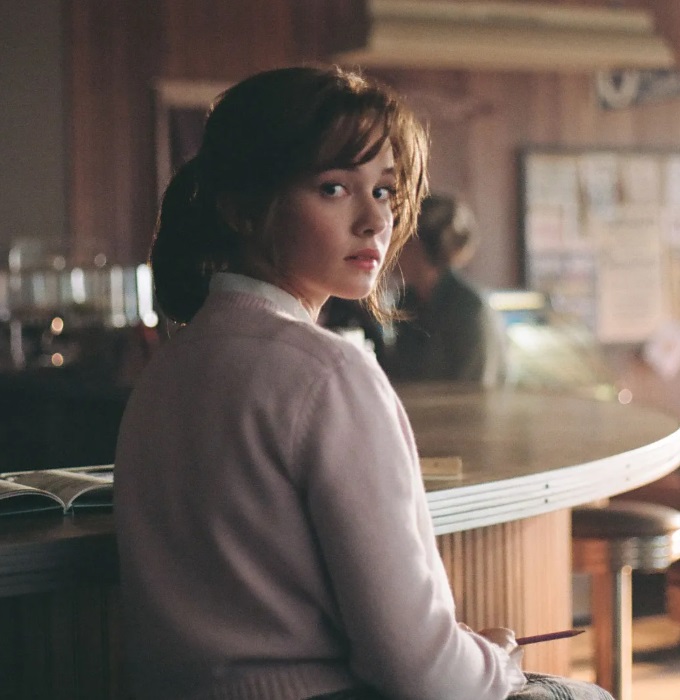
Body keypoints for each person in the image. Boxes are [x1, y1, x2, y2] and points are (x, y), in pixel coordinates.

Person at [114, 65, 613, 700]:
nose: (375, 220)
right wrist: (497, 661)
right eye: (333, 188)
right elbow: (420, 670)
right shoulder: (326, 374)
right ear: (242, 209)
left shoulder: (168, 367)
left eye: (383, 190)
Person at [384, 193, 507, 386]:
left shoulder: (468, 307)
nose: (387, 250)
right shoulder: (407, 301)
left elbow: (475, 388)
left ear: (416, 245)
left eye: (397, 240)